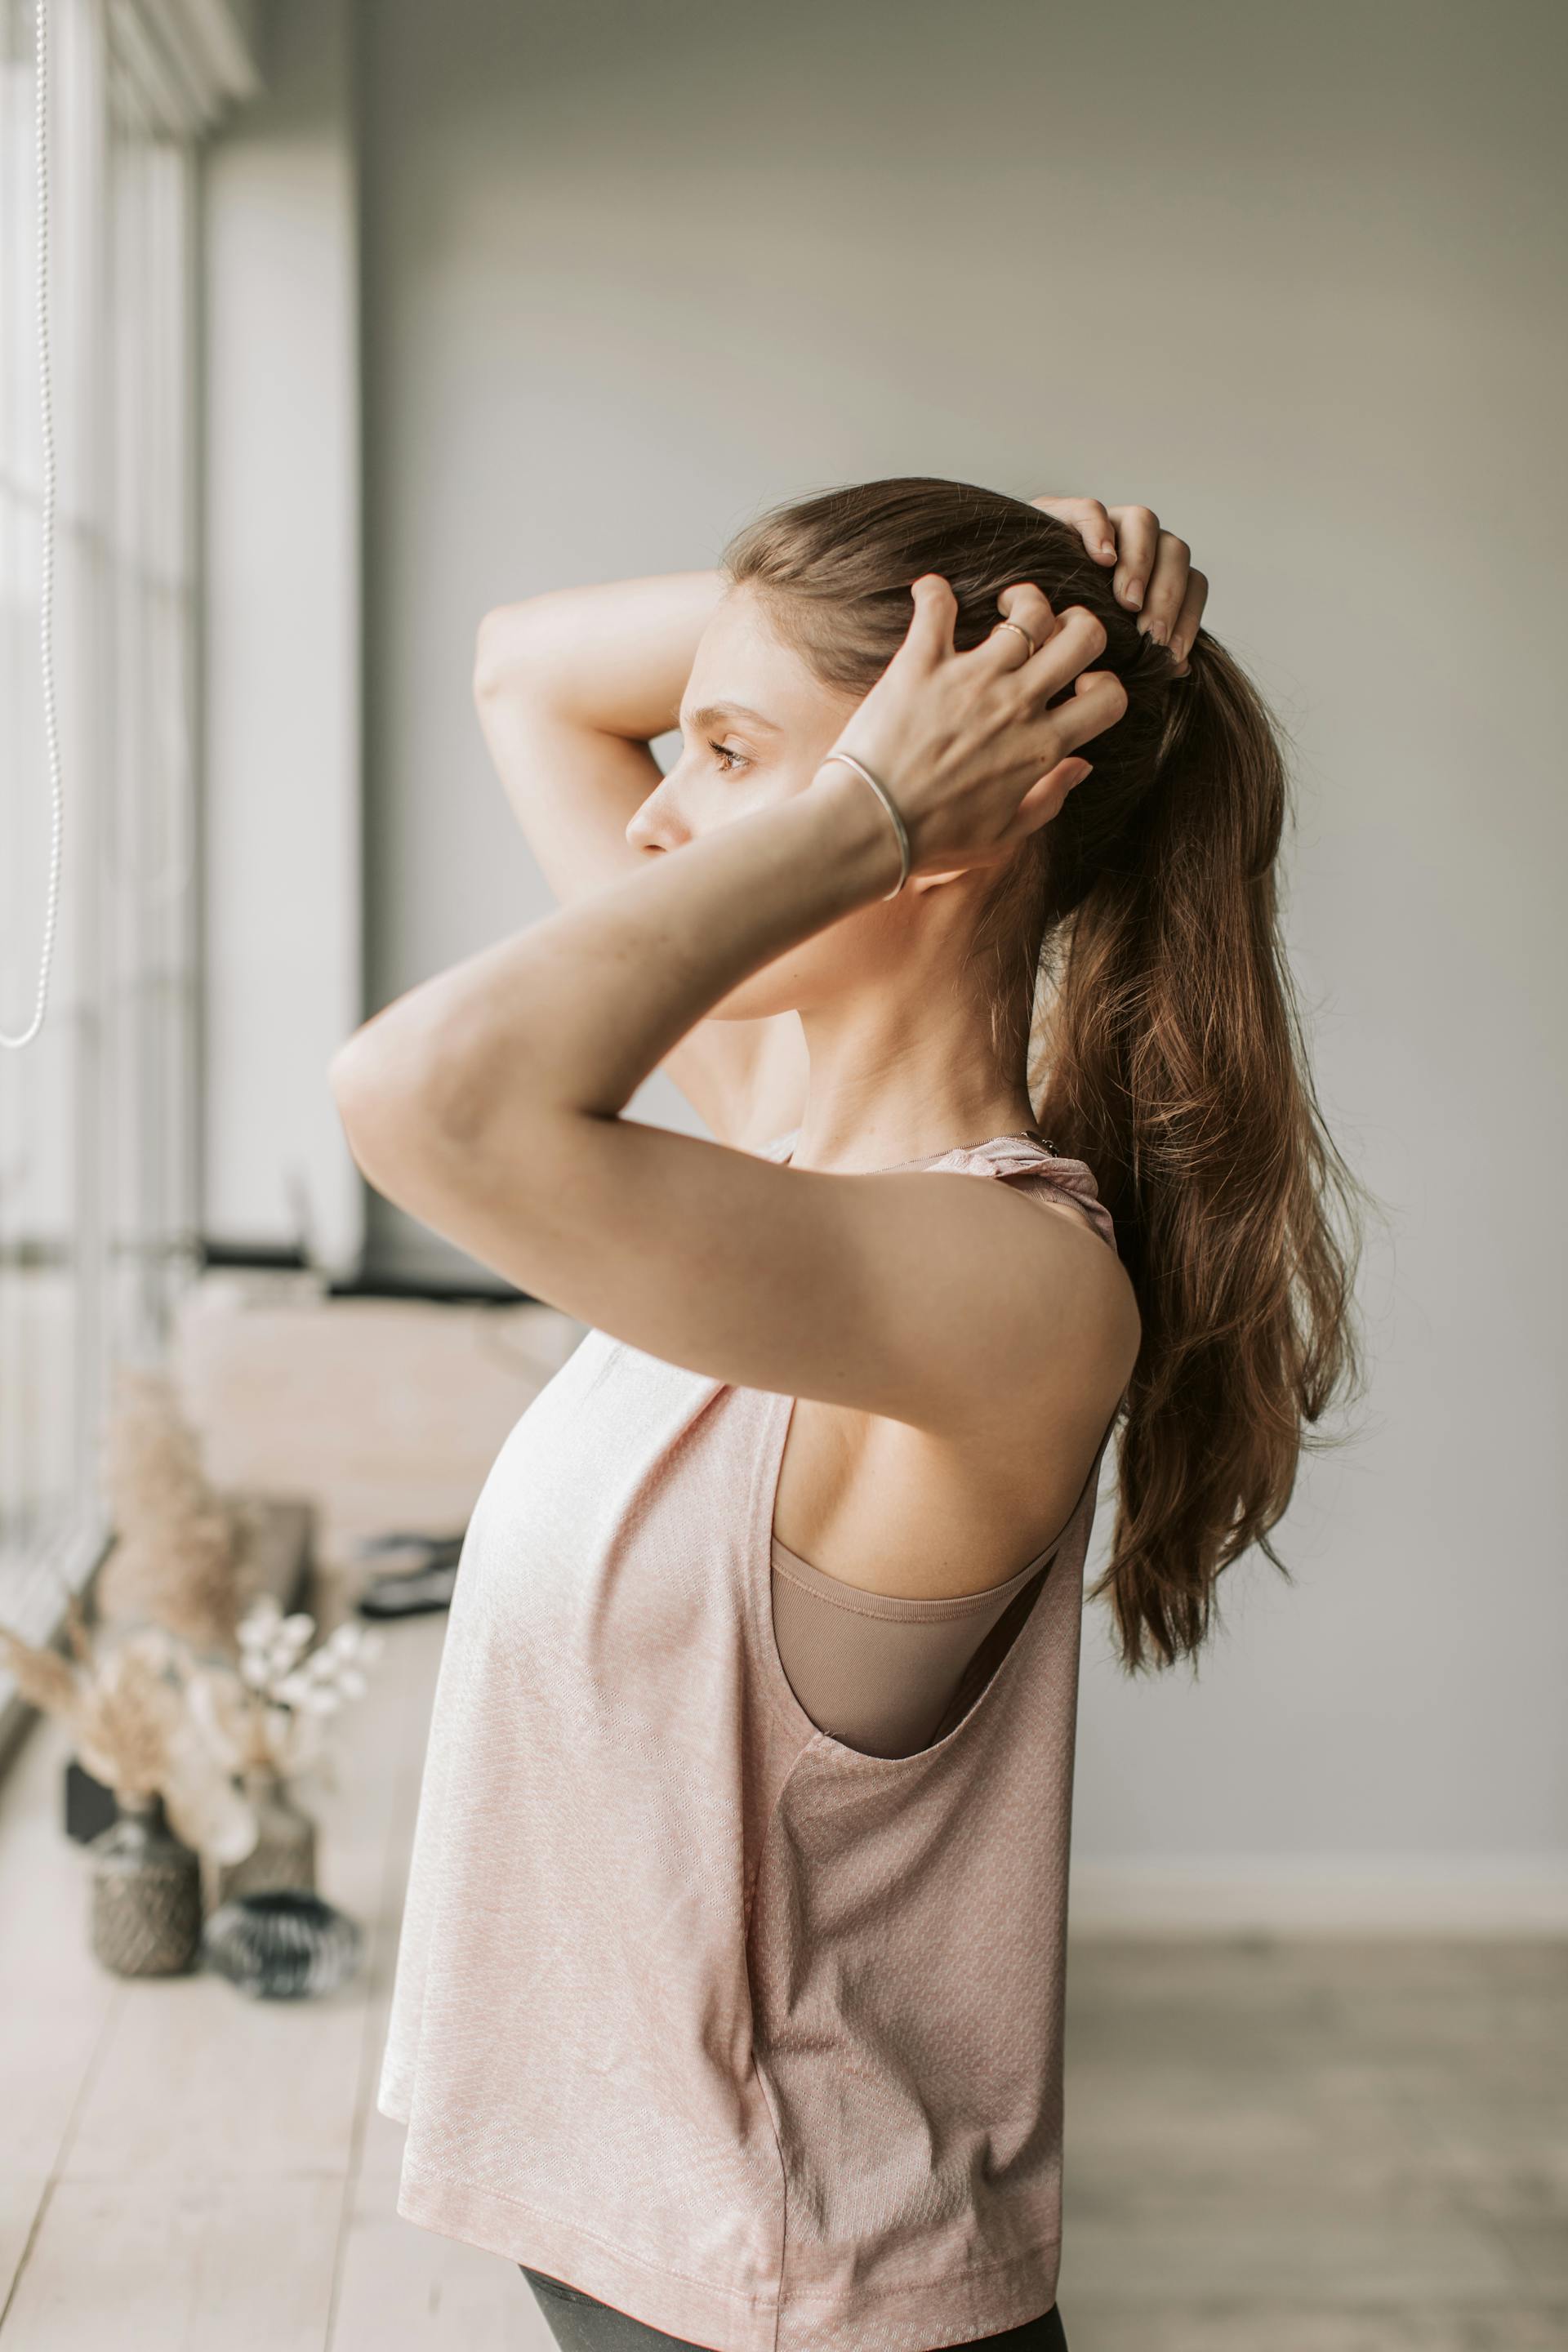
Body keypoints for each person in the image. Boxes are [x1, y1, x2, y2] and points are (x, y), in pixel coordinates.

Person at [331, 479, 1361, 2352]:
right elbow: (526, 672)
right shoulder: (790, 1147)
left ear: (961, 817)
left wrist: (878, 802)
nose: (654, 812)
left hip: (806, 2303)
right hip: (671, 2266)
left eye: (725, 754)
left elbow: (423, 1097)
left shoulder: (1011, 1287)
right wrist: (1022, 577)